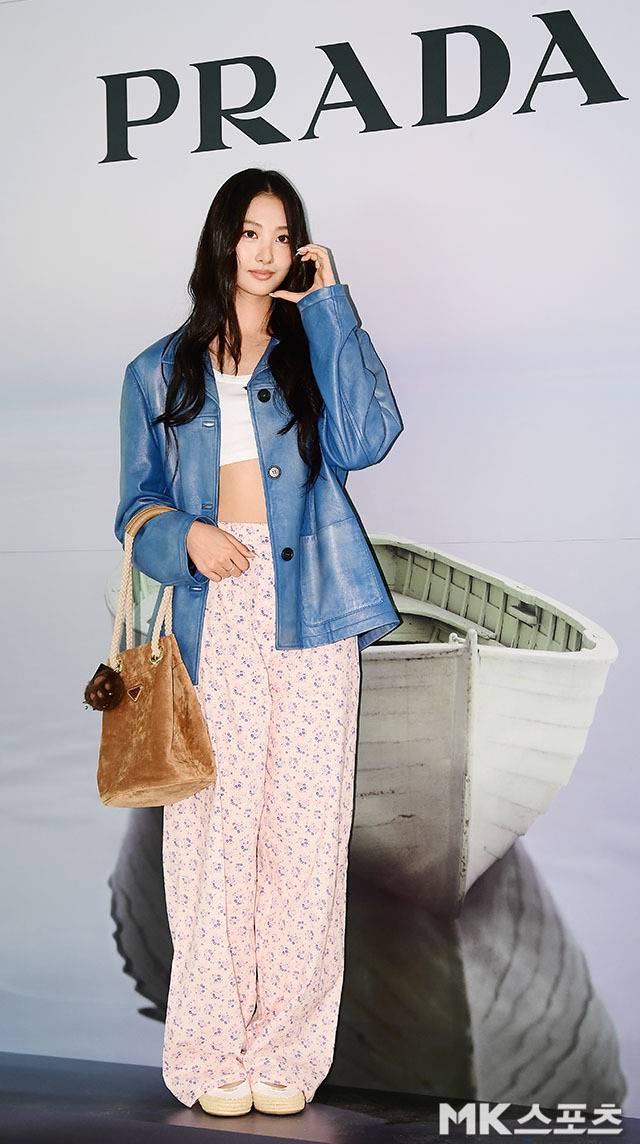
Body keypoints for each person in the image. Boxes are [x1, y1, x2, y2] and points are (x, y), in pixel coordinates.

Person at [114, 167, 403, 1117]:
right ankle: (209, 1050)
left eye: (283, 235)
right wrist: (183, 535)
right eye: (250, 231)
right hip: (213, 605)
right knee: (210, 837)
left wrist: (332, 307)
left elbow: (368, 438)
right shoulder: (155, 370)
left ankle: (286, 1052)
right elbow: (134, 506)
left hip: (313, 602)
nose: (267, 250)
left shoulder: (313, 350)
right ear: (221, 241)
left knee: (305, 839)